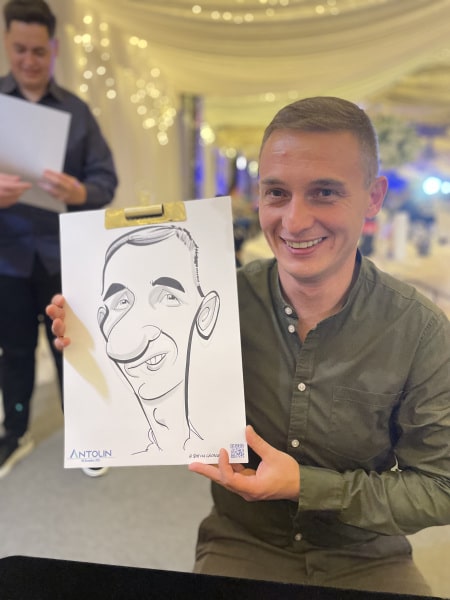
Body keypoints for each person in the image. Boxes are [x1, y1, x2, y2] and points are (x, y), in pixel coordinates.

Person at [46, 97, 450, 595]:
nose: (294, 221)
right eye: (277, 193)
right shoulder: (216, 303)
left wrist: (306, 485)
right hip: (243, 541)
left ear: (373, 198)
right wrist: (88, 345)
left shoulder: (418, 330)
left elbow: (441, 486)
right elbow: (144, 376)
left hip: (364, 552)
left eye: (324, 192)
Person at [0, 0, 118, 478]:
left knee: (72, 348)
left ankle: (86, 437)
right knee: (13, 351)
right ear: (7, 44)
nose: (29, 60)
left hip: (63, 255)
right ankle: (15, 432)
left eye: (38, 51)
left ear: (54, 48)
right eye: (20, 49)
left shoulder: (77, 111)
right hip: (5, 257)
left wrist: (79, 192)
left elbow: (106, 180)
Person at [97, 225, 219, 453]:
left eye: (168, 297)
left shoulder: (220, 436)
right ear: (103, 323)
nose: (140, 329)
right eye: (122, 302)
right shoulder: (116, 445)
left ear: (205, 314)